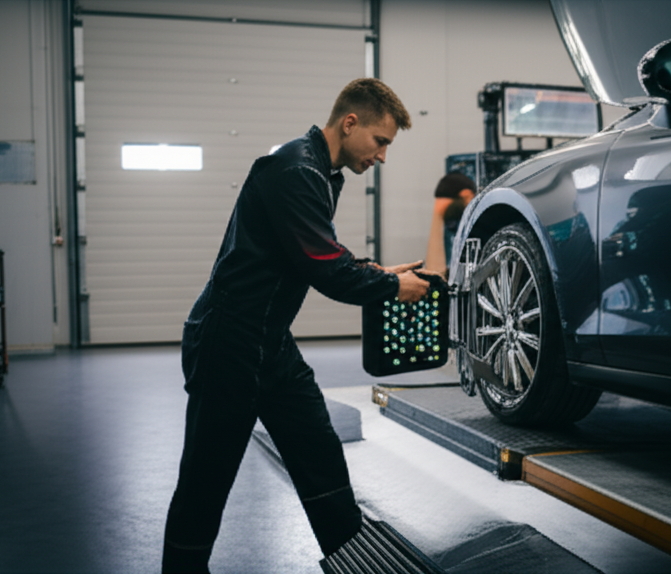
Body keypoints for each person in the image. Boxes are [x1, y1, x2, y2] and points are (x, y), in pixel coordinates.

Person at [162, 78, 431, 573]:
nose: (383, 157)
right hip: (228, 341)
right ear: (350, 123)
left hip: (269, 343)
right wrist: (393, 289)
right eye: (381, 141)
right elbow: (325, 270)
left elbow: (316, 252)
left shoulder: (321, 172)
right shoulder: (293, 169)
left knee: (319, 452)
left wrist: (376, 271)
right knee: (206, 478)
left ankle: (355, 561)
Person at [424, 172, 476, 276]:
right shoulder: (456, 224)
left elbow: (435, 272)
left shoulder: (481, 227)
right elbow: (435, 273)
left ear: (467, 196)